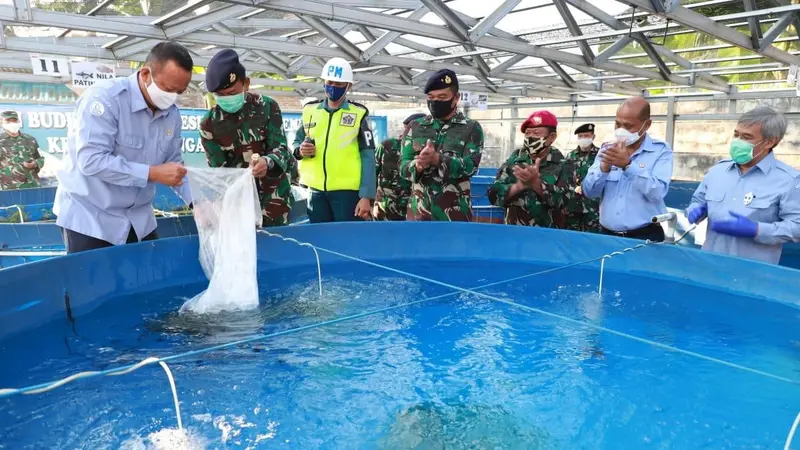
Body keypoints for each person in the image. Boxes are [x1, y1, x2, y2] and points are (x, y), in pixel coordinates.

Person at [53, 41, 193, 254]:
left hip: (139, 220)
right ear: (146, 74)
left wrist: (196, 203)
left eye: (179, 92)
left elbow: (174, 166)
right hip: (92, 219)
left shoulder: (171, 115)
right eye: (167, 89)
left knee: (146, 281)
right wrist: (152, 173)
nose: (172, 97)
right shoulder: (105, 99)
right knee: (96, 284)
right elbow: (91, 161)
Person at [686, 106, 800, 264]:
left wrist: (757, 230)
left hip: (752, 274)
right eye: (736, 134)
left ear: (769, 142)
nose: (738, 142)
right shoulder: (718, 171)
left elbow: (796, 227)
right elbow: (698, 199)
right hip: (709, 265)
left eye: (747, 137)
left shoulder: (788, 180)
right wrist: (695, 209)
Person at [199, 48, 296, 227]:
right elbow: (218, 174)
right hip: (238, 207)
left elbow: (281, 149)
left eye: (232, 93)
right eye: (220, 95)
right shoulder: (209, 125)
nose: (226, 99)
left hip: (274, 202)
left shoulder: (267, 108)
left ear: (246, 84)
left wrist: (267, 162)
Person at [292, 57, 376, 223]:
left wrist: (366, 196)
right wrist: (300, 150)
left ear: (348, 86)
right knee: (320, 241)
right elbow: (296, 142)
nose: (333, 87)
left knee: (347, 241)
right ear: (323, 82)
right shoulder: (309, 110)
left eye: (339, 84)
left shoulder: (359, 114)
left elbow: (368, 157)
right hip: (315, 192)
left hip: (347, 194)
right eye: (330, 82)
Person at [581, 96, 673, 242]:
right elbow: (589, 192)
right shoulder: (607, 148)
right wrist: (603, 169)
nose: (621, 130)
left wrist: (628, 166)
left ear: (646, 125)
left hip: (644, 237)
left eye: (628, 126)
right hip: (607, 236)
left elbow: (657, 192)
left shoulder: (660, 151)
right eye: (617, 124)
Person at [399, 69, 484, 221]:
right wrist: (418, 165)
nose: (435, 102)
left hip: (454, 215)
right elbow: (403, 167)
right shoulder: (415, 126)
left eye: (442, 97)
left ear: (456, 98)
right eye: (431, 97)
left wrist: (438, 160)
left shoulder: (471, 128)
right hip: (419, 213)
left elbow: (470, 167)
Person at [487, 110, 575, 228]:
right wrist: (518, 186)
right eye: (527, 133)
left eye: (536, 133)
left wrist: (537, 185)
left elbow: (566, 202)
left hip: (549, 236)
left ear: (552, 137)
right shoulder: (514, 160)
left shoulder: (563, 165)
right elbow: (493, 195)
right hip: (516, 233)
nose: (530, 138)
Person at [373, 112, 425, 221]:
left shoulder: (426, 153)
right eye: (407, 129)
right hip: (385, 208)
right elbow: (372, 173)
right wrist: (368, 200)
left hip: (414, 209)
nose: (407, 133)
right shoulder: (387, 146)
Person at [564, 123, 601, 232]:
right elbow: (566, 178)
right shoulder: (570, 156)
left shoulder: (600, 154)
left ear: (593, 137)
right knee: (572, 236)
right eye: (580, 136)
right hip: (573, 205)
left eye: (586, 136)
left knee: (593, 237)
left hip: (593, 205)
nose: (583, 139)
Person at [0, 111, 44, 190]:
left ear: (18, 122)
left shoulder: (30, 139)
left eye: (14, 121)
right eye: (8, 121)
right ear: (2, 122)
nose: (12, 123)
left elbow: (40, 158)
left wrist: (35, 163)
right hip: (9, 188)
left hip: (32, 185)